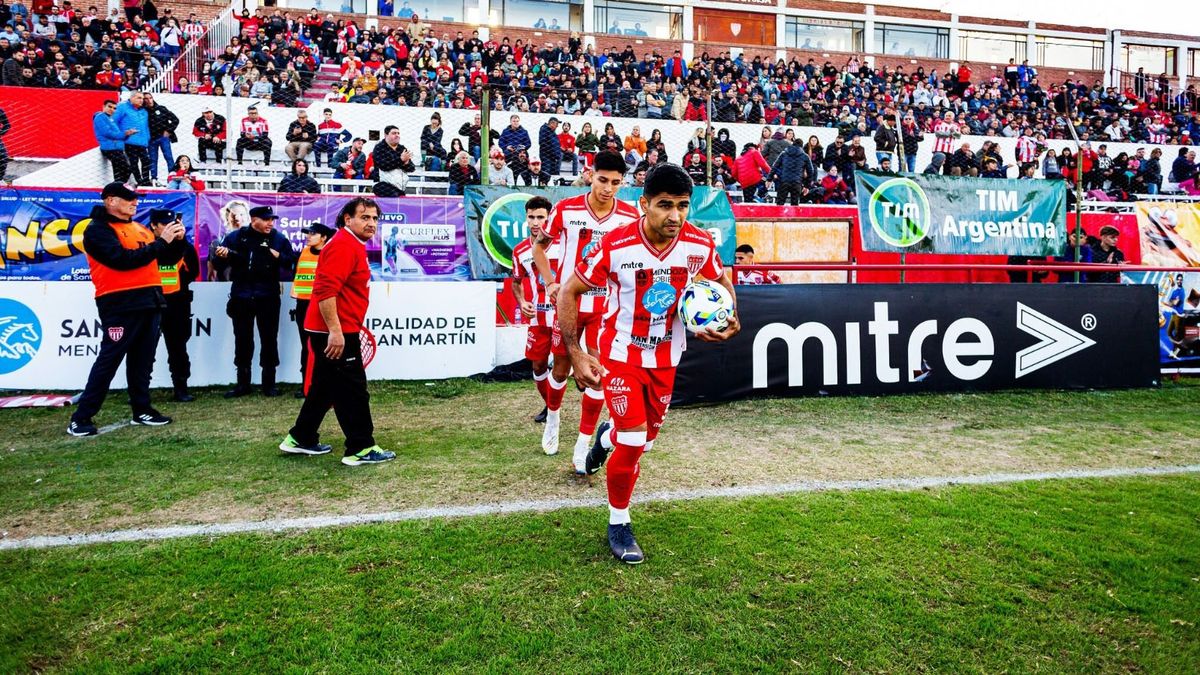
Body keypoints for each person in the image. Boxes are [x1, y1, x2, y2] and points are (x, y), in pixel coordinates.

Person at [560, 162, 740, 563]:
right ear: (644, 204)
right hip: (620, 354)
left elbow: (721, 279)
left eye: (682, 205)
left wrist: (732, 314)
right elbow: (569, 291)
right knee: (633, 441)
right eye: (664, 205)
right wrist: (576, 352)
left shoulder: (699, 244)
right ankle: (619, 522)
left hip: (667, 357)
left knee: (644, 441)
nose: (675, 215)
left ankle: (604, 439)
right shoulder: (615, 245)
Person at [531, 150, 640, 468]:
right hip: (569, 304)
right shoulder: (567, 209)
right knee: (561, 369)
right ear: (590, 174)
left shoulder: (630, 216)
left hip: (605, 309)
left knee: (597, 374)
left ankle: (582, 444)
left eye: (616, 183)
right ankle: (553, 418)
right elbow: (539, 248)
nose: (608, 188)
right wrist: (551, 282)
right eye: (603, 180)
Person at [280, 197, 397, 467]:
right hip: (335, 332)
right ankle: (361, 447)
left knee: (325, 387)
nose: (371, 223)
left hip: (335, 328)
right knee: (353, 389)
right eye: (365, 217)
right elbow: (324, 290)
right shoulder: (343, 245)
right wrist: (335, 331)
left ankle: (301, 437)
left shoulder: (349, 243)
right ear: (347, 219)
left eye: (374, 218)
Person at [67, 182, 188, 437]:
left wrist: (177, 241)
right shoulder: (97, 229)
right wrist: (161, 243)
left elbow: (164, 258)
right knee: (109, 360)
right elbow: (121, 261)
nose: (135, 202)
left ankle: (142, 409)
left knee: (142, 361)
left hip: (150, 300)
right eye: (128, 198)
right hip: (119, 303)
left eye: (135, 197)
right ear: (111, 201)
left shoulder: (139, 228)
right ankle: (81, 417)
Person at [212, 205, 297, 398]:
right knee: (242, 340)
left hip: (268, 296)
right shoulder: (236, 237)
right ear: (253, 220)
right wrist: (221, 257)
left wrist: (279, 256)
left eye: (272, 219)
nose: (270, 223)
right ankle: (243, 384)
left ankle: (269, 384)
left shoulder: (279, 238)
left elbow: (292, 263)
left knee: (269, 339)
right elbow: (218, 265)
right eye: (266, 219)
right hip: (241, 296)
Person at [511, 196, 559, 426]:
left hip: (563, 316)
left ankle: (556, 408)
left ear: (549, 218)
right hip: (538, 318)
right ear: (526, 218)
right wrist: (522, 302)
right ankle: (551, 407)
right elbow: (516, 281)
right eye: (531, 217)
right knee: (538, 365)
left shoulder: (562, 244)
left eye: (541, 217)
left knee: (564, 367)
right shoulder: (520, 250)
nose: (536, 222)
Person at [152, 209, 200, 402]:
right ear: (154, 226)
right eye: (165, 225)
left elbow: (193, 272)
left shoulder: (185, 247)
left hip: (177, 304)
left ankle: (181, 389)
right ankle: (139, 390)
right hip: (151, 304)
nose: (170, 229)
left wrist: (181, 242)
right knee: (144, 350)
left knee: (178, 349)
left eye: (173, 225)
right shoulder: (147, 246)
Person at [290, 222, 334, 395]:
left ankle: (324, 384)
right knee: (306, 345)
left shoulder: (330, 254)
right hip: (303, 304)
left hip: (322, 304)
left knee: (324, 346)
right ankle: (306, 385)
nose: (308, 236)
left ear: (324, 237)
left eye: (313, 233)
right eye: (307, 233)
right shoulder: (304, 252)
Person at [113, 91, 150, 185]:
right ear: (132, 98)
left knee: (146, 161)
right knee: (133, 162)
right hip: (128, 141)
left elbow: (145, 127)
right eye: (139, 98)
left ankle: (146, 181)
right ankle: (139, 181)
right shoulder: (122, 107)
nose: (141, 100)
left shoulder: (144, 111)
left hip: (142, 142)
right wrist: (119, 136)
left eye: (142, 98)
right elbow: (114, 121)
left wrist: (147, 138)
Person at [142, 93, 178, 185]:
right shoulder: (142, 111)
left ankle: (172, 176)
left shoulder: (161, 108)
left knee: (168, 157)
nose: (149, 100)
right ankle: (154, 178)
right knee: (153, 159)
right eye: (146, 99)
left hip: (163, 138)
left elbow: (175, 119)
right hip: (151, 139)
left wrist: (168, 130)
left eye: (150, 98)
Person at [94, 99, 131, 183]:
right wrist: (124, 134)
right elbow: (107, 133)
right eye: (109, 107)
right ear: (103, 106)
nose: (112, 109)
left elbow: (116, 135)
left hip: (116, 148)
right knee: (126, 169)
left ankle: (117, 187)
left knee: (119, 171)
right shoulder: (100, 117)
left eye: (114, 108)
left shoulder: (110, 119)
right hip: (110, 148)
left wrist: (127, 134)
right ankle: (118, 187)